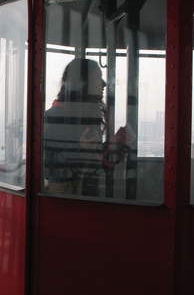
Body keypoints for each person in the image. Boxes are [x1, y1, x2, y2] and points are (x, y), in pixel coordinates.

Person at [44, 58, 133, 196]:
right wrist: (82, 150)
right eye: (98, 77)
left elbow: (92, 167)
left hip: (89, 195)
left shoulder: (90, 116)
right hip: (65, 201)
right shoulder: (52, 118)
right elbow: (48, 169)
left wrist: (113, 153)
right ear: (82, 83)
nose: (103, 84)